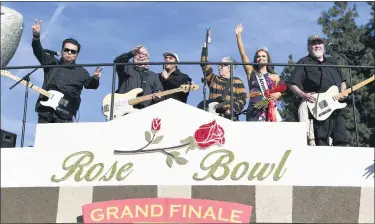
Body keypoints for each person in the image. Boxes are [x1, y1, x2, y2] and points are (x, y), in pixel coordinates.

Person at [31, 19, 101, 124]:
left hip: (65, 114)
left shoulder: (81, 72)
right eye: (66, 50)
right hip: (45, 112)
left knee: (61, 140)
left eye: (73, 51)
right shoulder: (52, 63)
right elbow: (38, 51)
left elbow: (91, 85)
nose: (69, 53)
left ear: (76, 54)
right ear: (62, 50)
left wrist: (95, 78)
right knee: (43, 140)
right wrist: (36, 37)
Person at [287, 34, 349, 146]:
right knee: (322, 138)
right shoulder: (304, 62)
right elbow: (292, 84)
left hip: (337, 104)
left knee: (341, 137)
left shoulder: (332, 62)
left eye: (319, 43)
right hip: (318, 105)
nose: (317, 46)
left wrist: (342, 92)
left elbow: (343, 81)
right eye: (313, 44)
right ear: (308, 47)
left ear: (323, 46)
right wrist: (303, 95)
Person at [235, 24, 283, 122]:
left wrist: (278, 94)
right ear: (256, 59)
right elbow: (243, 54)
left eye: (263, 56)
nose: (260, 58)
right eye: (258, 56)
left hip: (269, 110)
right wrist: (238, 36)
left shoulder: (274, 77)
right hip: (254, 109)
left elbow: (280, 95)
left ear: (268, 59)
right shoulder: (251, 72)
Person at [199, 29, 247, 121]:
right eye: (219, 65)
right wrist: (206, 45)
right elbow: (204, 63)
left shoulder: (237, 81)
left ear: (230, 67)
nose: (219, 67)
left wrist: (232, 109)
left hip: (230, 119)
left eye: (222, 65)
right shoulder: (214, 79)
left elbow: (243, 99)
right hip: (212, 119)